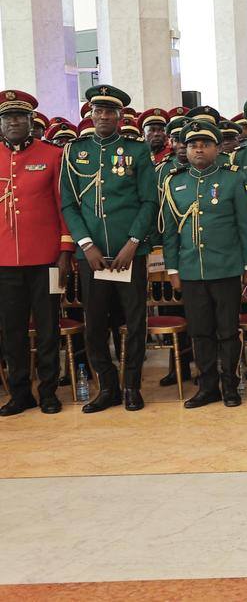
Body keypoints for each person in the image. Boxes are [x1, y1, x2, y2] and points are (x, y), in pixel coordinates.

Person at [60, 85, 159, 412]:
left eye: (110, 111)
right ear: (90, 114)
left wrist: (133, 242)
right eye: (98, 110)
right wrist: (86, 245)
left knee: (135, 322)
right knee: (95, 324)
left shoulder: (136, 150)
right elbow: (69, 205)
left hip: (129, 254)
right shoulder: (74, 151)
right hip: (93, 257)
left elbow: (149, 201)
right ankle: (107, 387)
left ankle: (131, 386)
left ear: (120, 116)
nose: (103, 116)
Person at [160, 120, 247, 408]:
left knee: (228, 330)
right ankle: (207, 386)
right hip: (191, 270)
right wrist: (173, 269)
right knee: (200, 331)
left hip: (226, 267)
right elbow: (170, 231)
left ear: (217, 149)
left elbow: (245, 225)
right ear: (185, 149)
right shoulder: (174, 181)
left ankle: (230, 385)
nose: (198, 149)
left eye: (205, 144)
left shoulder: (233, 179)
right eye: (192, 145)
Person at [0, 92, 74, 416]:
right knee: (12, 331)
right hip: (4, 262)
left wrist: (66, 250)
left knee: (48, 329)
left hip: (47, 260)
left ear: (31, 122)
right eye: (7, 117)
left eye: (20, 117)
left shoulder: (52, 155)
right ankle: (20, 394)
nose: (13, 122)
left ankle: (48, 392)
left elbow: (64, 206)